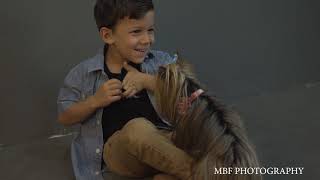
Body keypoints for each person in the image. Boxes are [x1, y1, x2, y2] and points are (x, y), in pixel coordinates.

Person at [57, 0, 194, 180]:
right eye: (136, 32)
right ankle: (212, 174)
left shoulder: (161, 62)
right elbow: (65, 116)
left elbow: (190, 93)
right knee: (138, 129)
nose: (147, 40)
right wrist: (94, 101)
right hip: (121, 155)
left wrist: (147, 81)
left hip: (164, 146)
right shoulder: (84, 74)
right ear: (108, 36)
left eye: (150, 30)